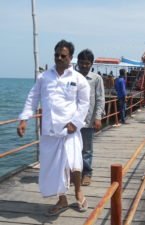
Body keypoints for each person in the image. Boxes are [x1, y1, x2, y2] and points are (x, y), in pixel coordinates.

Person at [17, 40, 90, 215]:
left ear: (70, 57)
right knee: (54, 167)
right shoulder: (44, 77)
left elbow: (84, 103)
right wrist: (24, 119)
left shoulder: (78, 79)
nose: (59, 58)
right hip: (50, 131)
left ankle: (78, 192)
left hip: (70, 129)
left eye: (63, 55)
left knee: (74, 163)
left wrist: (75, 123)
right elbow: (33, 98)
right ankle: (62, 199)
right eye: (56, 55)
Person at [77, 49, 105, 186]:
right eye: (82, 63)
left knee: (87, 149)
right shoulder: (72, 77)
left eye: (87, 63)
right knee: (72, 148)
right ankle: (74, 173)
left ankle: (87, 173)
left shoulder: (96, 79)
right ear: (78, 62)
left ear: (91, 64)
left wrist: (98, 117)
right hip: (72, 121)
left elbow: (100, 99)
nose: (84, 66)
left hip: (88, 120)